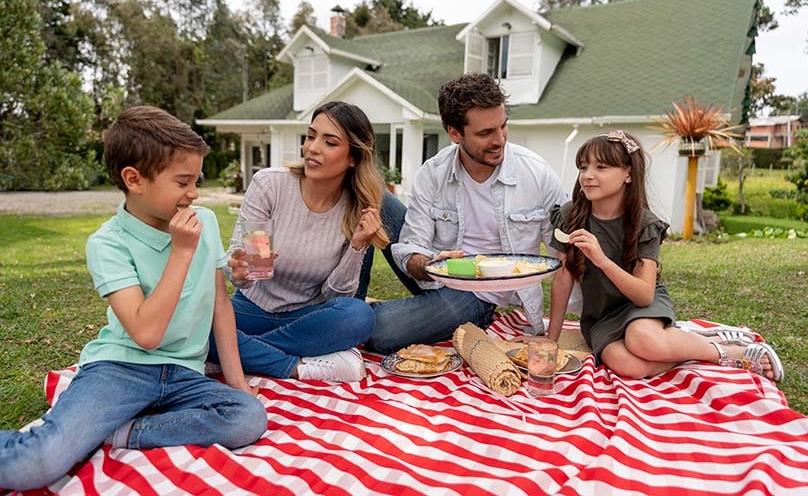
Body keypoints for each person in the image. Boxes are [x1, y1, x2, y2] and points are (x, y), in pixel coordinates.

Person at [0, 106, 267, 491]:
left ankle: (121, 431)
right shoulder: (108, 243)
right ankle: (81, 430)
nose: (193, 193)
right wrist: (181, 252)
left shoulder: (204, 221)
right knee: (36, 464)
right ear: (134, 179)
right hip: (119, 368)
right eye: (182, 182)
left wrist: (238, 383)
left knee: (246, 417)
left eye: (197, 180)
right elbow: (146, 334)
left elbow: (220, 305)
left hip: (183, 373)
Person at [547, 130, 784, 382]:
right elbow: (563, 278)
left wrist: (602, 260)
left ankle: (728, 352)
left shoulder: (643, 224)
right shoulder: (571, 215)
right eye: (583, 167)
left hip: (640, 305)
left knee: (643, 340)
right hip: (601, 315)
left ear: (628, 173)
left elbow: (644, 294)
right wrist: (550, 340)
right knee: (630, 367)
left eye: (601, 167)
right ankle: (687, 341)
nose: (588, 175)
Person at [365, 73, 569, 354]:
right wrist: (431, 266)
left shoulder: (536, 173)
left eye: (503, 126)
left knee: (380, 332)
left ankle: (378, 313)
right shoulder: (433, 173)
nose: (500, 140)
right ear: (454, 133)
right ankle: (354, 301)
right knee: (369, 190)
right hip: (437, 275)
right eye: (485, 133)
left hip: (479, 295)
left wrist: (556, 333)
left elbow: (565, 256)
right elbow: (411, 246)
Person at [212, 101, 388, 382]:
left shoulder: (356, 209)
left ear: (353, 157)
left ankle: (233, 352)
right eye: (310, 136)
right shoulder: (269, 186)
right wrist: (240, 271)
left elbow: (336, 297)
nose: (312, 148)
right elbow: (249, 273)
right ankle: (298, 366)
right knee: (196, 321)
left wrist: (357, 246)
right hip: (251, 309)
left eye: (329, 142)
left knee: (359, 316)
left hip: (307, 317)